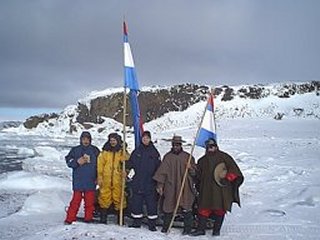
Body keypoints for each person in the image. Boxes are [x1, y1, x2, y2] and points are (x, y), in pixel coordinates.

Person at [191, 138, 244, 237]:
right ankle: (201, 229)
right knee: (203, 208)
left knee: (219, 209)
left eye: (212, 147)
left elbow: (235, 171)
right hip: (206, 189)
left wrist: (228, 178)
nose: (210, 149)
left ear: (216, 146)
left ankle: (216, 230)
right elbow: (199, 176)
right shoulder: (202, 160)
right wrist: (194, 173)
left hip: (221, 189)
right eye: (208, 147)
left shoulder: (225, 157)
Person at [153, 135, 197, 235]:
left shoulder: (187, 157)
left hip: (184, 186)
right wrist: (160, 185)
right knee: (169, 206)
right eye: (174, 145)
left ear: (181, 145)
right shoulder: (168, 157)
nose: (176, 147)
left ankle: (187, 228)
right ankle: (166, 226)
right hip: (171, 186)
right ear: (172, 145)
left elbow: (195, 173)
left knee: (186, 206)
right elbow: (162, 172)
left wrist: (190, 168)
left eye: (178, 145)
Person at [126, 131, 161, 231]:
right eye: (143, 138)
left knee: (151, 204)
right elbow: (130, 164)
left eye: (147, 138)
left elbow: (159, 167)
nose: (145, 140)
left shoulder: (154, 152)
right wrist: (126, 169)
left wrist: (158, 182)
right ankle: (136, 222)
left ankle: (152, 224)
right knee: (136, 203)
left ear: (150, 139)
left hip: (150, 182)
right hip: (138, 181)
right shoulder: (137, 151)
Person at [64, 131, 100, 224]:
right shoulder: (75, 150)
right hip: (78, 181)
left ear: (90, 140)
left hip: (91, 180)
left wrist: (98, 177)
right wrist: (76, 162)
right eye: (84, 139)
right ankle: (69, 218)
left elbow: (100, 165)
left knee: (89, 202)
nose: (86, 141)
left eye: (87, 139)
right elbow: (69, 161)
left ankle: (89, 218)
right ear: (81, 140)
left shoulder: (95, 150)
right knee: (75, 202)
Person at [97, 133, 129, 224]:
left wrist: (126, 171)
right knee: (104, 197)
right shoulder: (104, 152)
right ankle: (103, 218)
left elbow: (127, 163)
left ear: (118, 141)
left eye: (114, 140)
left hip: (118, 179)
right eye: (111, 140)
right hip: (106, 179)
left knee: (119, 198)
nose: (112, 142)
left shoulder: (122, 152)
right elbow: (100, 165)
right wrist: (100, 176)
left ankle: (120, 219)